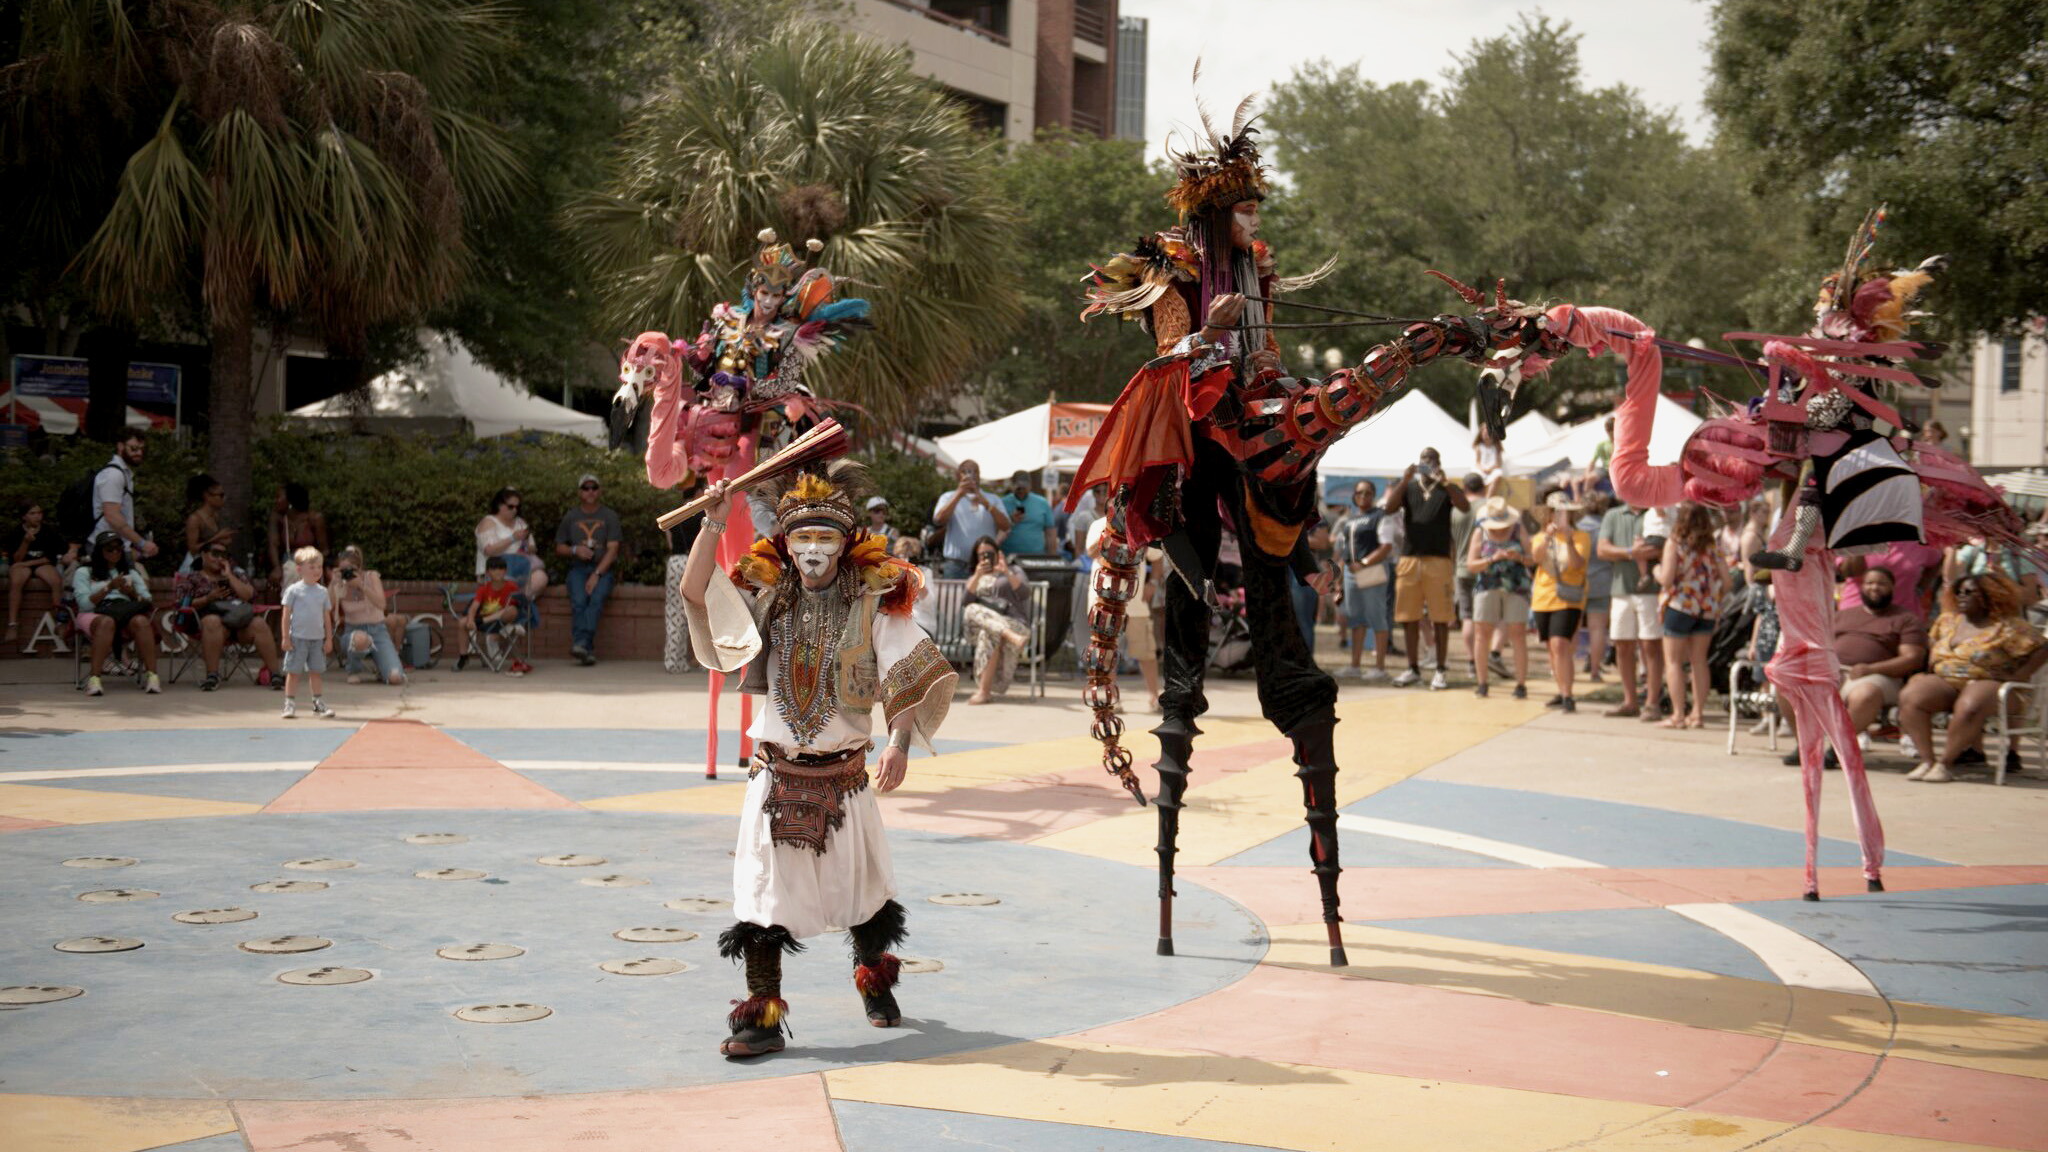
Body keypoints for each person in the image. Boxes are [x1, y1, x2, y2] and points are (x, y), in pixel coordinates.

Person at [678, 461, 955, 1058]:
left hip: (846, 781)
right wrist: (712, 522)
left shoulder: (876, 604)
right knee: (761, 901)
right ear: (784, 542)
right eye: (801, 537)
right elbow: (694, 594)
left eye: (825, 536)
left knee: (865, 895)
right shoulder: (765, 598)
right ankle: (762, 1019)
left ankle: (875, 983)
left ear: (846, 542)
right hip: (775, 777)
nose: (812, 549)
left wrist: (900, 743)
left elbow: (903, 679)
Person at [1899, 574, 2048, 782]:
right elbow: (1931, 647)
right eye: (1958, 591)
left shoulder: (2007, 626)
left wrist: (2019, 674)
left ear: (1989, 596)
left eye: (1969, 592)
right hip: (1947, 683)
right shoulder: (1947, 621)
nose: (1962, 596)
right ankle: (1927, 761)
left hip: (1993, 685)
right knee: (1911, 696)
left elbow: (2043, 647)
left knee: (1971, 704)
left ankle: (1945, 764)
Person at [1780, 565, 1927, 767]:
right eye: (1869, 583)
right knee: (1788, 683)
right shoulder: (1842, 616)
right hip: (1834, 671)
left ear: (1893, 587)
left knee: (1865, 694)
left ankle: (1835, 751)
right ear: (1861, 587)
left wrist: (1871, 669)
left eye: (1881, 583)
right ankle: (1806, 747)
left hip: (1879, 676)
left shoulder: (1905, 619)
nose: (1875, 588)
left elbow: (1912, 658)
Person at [1387, 446, 1469, 690]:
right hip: (1410, 559)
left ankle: (1440, 669)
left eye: (1432, 460)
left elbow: (1464, 506)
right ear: (1418, 462)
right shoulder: (1409, 487)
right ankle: (1413, 668)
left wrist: (1445, 481)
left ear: (1439, 464)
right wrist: (1404, 479)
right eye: (1424, 460)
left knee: (1440, 617)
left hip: (1439, 560)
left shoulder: (1445, 488)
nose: (1428, 464)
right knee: (1408, 617)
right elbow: (1389, 508)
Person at [173, 543, 283, 691]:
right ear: (203, 555)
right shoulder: (192, 578)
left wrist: (229, 576)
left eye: (223, 555)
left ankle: (275, 674)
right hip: (206, 626)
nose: (219, 558)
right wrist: (208, 598)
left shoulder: (236, 575)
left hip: (238, 623)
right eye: (215, 554)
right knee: (212, 621)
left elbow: (249, 595)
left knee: (259, 623)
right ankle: (212, 676)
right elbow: (181, 603)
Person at [1656, 502, 1725, 729]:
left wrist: (1655, 571)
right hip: (1706, 609)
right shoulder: (1712, 546)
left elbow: (1666, 579)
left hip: (1679, 607)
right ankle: (1697, 714)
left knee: (1674, 662)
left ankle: (1678, 714)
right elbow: (1728, 581)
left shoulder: (1674, 544)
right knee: (1699, 662)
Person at [1598, 500, 1667, 722]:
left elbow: (1662, 546)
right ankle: (1630, 701)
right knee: (1622, 644)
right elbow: (1602, 549)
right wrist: (1631, 552)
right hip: (1621, 589)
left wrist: (1633, 553)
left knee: (1651, 645)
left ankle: (1652, 702)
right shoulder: (1613, 515)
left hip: (1651, 589)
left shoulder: (1657, 512)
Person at [1089, 511, 1161, 711]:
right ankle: (1112, 697)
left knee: (1146, 651)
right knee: (1108, 652)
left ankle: (1154, 698)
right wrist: (1110, 531)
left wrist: (1153, 583)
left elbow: (1157, 557)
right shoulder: (1099, 525)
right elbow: (1091, 553)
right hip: (1106, 600)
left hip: (1135, 602)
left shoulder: (1142, 522)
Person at [73, 532, 160, 696]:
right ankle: (94, 680)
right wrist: (108, 588)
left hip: (124, 611)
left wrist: (132, 592)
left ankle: (152, 677)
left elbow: (147, 600)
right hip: (94, 613)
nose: (115, 553)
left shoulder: (130, 573)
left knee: (142, 621)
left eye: (119, 549)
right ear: (99, 551)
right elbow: (84, 605)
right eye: (109, 549)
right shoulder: (85, 572)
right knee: (107, 623)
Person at [1467, 496, 1532, 699]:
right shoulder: (1480, 532)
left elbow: (1532, 559)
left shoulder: (1518, 529)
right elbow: (1470, 565)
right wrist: (1491, 559)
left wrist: (1518, 557)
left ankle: (1521, 684)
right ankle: (1482, 682)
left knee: (1518, 634)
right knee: (1481, 633)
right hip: (1487, 585)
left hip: (1516, 586)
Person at [1530, 492, 1590, 712]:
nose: (1558, 516)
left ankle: (1567, 695)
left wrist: (1570, 539)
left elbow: (1577, 564)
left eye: (1563, 512)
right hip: (1543, 597)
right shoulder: (1540, 536)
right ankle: (1561, 688)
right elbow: (1535, 558)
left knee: (1560, 643)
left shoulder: (1581, 536)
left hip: (1569, 598)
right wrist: (1547, 537)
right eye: (1555, 512)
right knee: (1551, 648)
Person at [554, 473, 622, 666]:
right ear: (579, 492)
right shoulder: (571, 516)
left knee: (596, 600)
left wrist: (597, 574)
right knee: (579, 601)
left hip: (602, 569)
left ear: (599, 491)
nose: (590, 491)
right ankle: (586, 649)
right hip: (577, 568)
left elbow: (613, 549)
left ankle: (581, 644)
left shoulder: (609, 516)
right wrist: (575, 549)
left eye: (594, 487)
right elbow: (559, 547)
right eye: (586, 488)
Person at [1332, 480, 1395, 680]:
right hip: (1351, 572)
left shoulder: (1380, 516)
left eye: (1368, 493)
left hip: (1372, 570)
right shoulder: (1349, 520)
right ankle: (1355, 665)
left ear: (1373, 495)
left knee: (1377, 616)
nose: (1363, 496)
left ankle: (1380, 667)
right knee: (1355, 618)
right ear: (1354, 495)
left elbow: (1386, 546)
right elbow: (1344, 552)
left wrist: (1365, 562)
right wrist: (1339, 579)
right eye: (1359, 493)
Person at [962, 535, 1033, 704]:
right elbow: (966, 602)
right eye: (981, 554)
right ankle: (1010, 636)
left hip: (1014, 623)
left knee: (990, 633)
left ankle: (983, 692)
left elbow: (1024, 593)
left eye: (989, 553)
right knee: (972, 609)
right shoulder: (975, 574)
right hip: (981, 628)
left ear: (998, 553)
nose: (985, 557)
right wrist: (978, 575)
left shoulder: (1013, 570)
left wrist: (1006, 572)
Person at [328, 544, 405, 686]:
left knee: (395, 678)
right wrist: (334, 582)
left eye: (351, 570)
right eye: (343, 570)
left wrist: (362, 586)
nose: (348, 574)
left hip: (378, 631)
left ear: (360, 568)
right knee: (359, 639)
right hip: (353, 632)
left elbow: (382, 605)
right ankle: (353, 670)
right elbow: (327, 607)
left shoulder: (371, 577)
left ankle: (383, 669)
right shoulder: (341, 584)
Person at [476, 487, 547, 629]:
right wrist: (512, 538)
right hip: (495, 573)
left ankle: (510, 617)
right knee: (511, 588)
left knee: (541, 578)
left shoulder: (521, 522)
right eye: (510, 506)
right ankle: (513, 620)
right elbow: (489, 550)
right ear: (499, 505)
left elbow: (533, 548)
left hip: (519, 571)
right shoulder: (488, 522)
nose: (514, 510)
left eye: (517, 507)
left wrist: (526, 544)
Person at [278, 546, 334, 718]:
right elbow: (286, 616)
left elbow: (326, 618)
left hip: (317, 640)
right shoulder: (293, 590)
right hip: (297, 639)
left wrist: (328, 639)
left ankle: (318, 703)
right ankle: (289, 704)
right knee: (293, 672)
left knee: (315, 672)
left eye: (319, 567)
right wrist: (286, 637)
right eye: (312, 567)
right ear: (300, 569)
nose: (317, 570)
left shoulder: (323, 592)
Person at [931, 461, 1011, 578]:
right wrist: (959, 494)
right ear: (958, 476)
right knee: (954, 596)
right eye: (965, 471)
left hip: (985, 562)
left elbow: (1006, 526)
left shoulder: (992, 499)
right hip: (955, 565)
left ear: (979, 475)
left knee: (984, 596)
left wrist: (986, 504)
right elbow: (938, 520)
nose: (971, 475)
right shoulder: (948, 497)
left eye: (974, 471)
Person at [457, 555, 532, 676]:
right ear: (487, 573)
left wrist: (482, 620)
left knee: (512, 609)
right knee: (462, 622)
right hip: (484, 622)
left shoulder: (511, 586)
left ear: (505, 571)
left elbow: (519, 606)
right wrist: (471, 620)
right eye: (494, 569)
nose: (498, 572)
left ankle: (507, 626)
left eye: (501, 569)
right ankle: (463, 656)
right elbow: (474, 607)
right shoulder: (483, 589)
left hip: (502, 620)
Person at [6, 501, 69, 645]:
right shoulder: (16, 532)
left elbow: (49, 558)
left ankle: (59, 622)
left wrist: (25, 564)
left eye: (39, 513)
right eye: (32, 513)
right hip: (22, 565)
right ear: (24, 517)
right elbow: (16, 559)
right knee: (16, 582)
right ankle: (12, 624)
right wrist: (26, 542)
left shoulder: (48, 531)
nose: (37, 516)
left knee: (56, 581)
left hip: (42, 564)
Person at [1838, 539, 1942, 622]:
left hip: (1903, 619)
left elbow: (1937, 559)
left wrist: (1921, 588)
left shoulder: (1915, 541)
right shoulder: (1858, 533)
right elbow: (1849, 572)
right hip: (1857, 617)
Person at [93, 428, 157, 560]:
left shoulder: (123, 473)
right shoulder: (113, 475)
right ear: (120, 446)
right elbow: (112, 516)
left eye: (142, 449)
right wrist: (141, 543)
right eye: (134, 448)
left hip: (117, 545)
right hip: (106, 546)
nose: (139, 453)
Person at [1579, 494, 1613, 684]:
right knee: (1598, 628)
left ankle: (1562, 666)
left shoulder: (1577, 527)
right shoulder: (1605, 528)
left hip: (1577, 582)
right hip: (1602, 580)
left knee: (1573, 627)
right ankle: (1594, 670)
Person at [269, 482, 329, 588]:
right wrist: (276, 568)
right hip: (288, 563)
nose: (276, 501)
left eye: (279, 497)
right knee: (288, 573)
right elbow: (273, 544)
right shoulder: (279, 519)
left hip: (310, 562)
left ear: (290, 501)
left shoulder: (314, 519)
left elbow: (324, 550)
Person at [179, 474, 233, 574]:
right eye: (221, 495)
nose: (224, 499)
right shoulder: (195, 519)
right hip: (196, 565)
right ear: (207, 496)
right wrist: (217, 537)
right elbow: (193, 550)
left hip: (214, 561)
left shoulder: (215, 517)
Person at [999, 470, 1059, 557]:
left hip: (1036, 556)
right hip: (1009, 556)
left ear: (1030, 486)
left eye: (1024, 487)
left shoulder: (1042, 503)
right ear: (1012, 486)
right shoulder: (1003, 503)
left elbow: (1050, 533)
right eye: (1018, 488)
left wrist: (1052, 557)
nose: (1021, 491)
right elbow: (996, 529)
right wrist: (1010, 520)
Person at [891, 536, 937, 636]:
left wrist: (917, 578)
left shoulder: (925, 572)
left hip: (921, 623)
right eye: (902, 555)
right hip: (897, 623)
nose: (905, 559)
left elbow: (929, 603)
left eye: (910, 556)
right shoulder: (891, 573)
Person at [1473, 425, 1503, 495]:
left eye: (1488, 434)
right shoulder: (1478, 447)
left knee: (1498, 474)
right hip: (1481, 469)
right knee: (1477, 476)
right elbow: (1477, 462)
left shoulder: (1497, 448)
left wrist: (1491, 469)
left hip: (1493, 470)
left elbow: (1498, 463)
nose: (1486, 436)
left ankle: (1488, 497)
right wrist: (1483, 469)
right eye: (1484, 433)